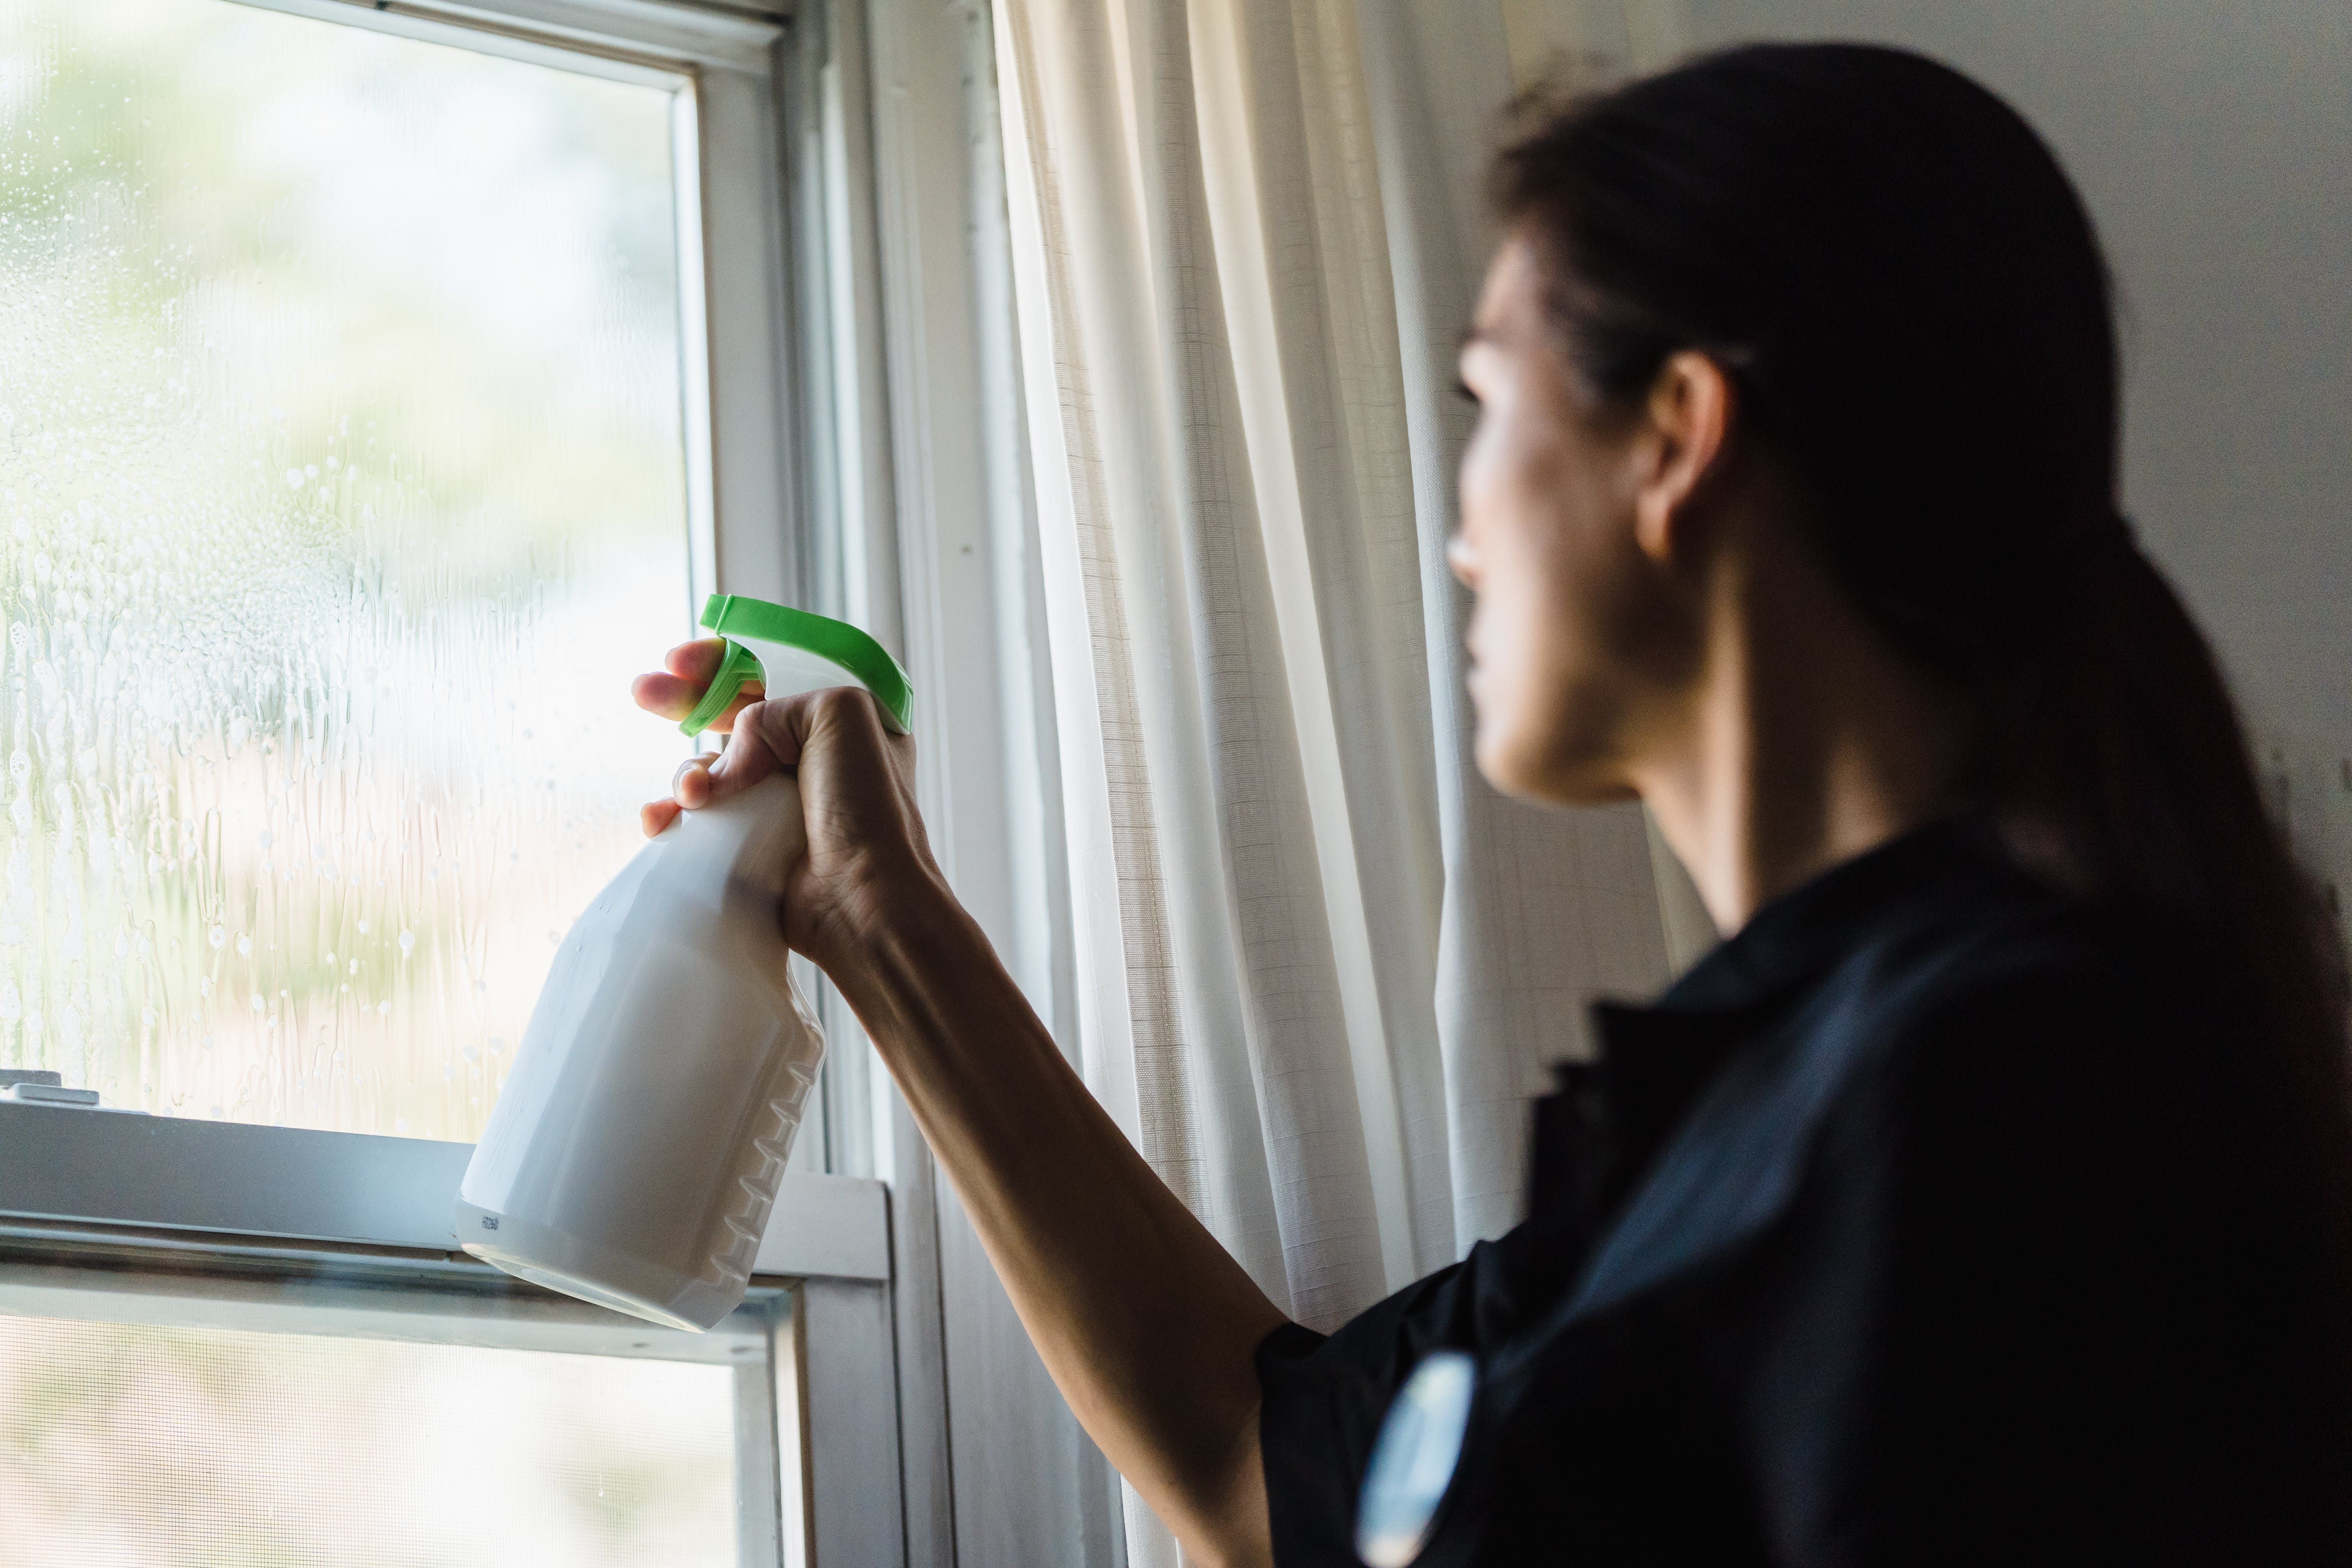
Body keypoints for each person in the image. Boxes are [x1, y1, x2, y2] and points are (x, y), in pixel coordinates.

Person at [633, 42, 2352, 1568]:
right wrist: (876, 912)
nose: (1461, 523)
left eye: (1487, 402)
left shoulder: (1997, 1098)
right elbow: (1265, 1479)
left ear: (1674, 437)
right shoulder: (1752, 1135)